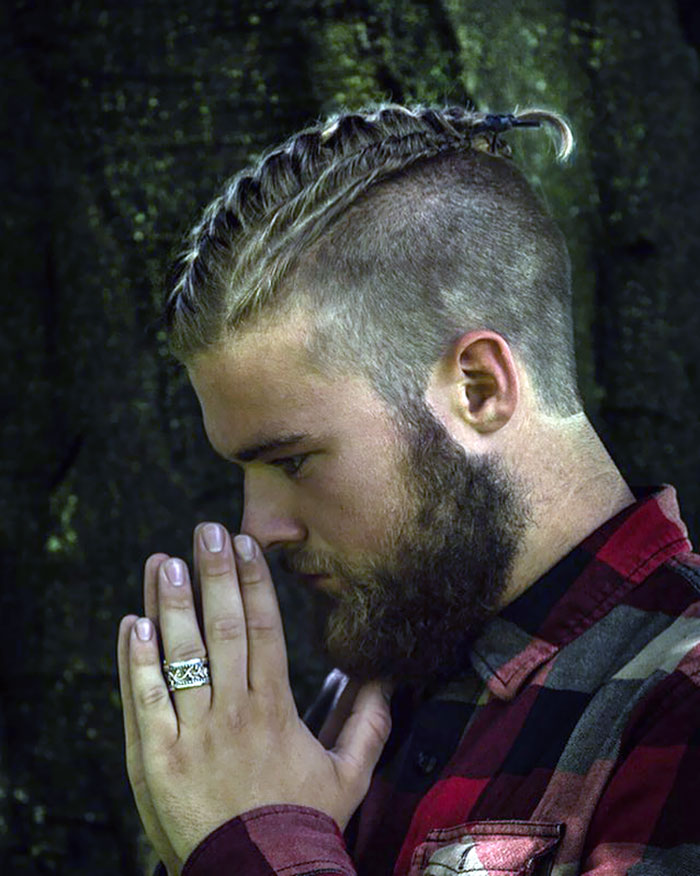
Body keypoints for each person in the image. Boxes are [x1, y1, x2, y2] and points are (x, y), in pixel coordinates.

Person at [117, 104, 700, 876]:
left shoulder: (679, 702)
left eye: (292, 460)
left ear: (479, 387)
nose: (257, 527)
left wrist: (253, 844)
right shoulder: (337, 715)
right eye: (242, 471)